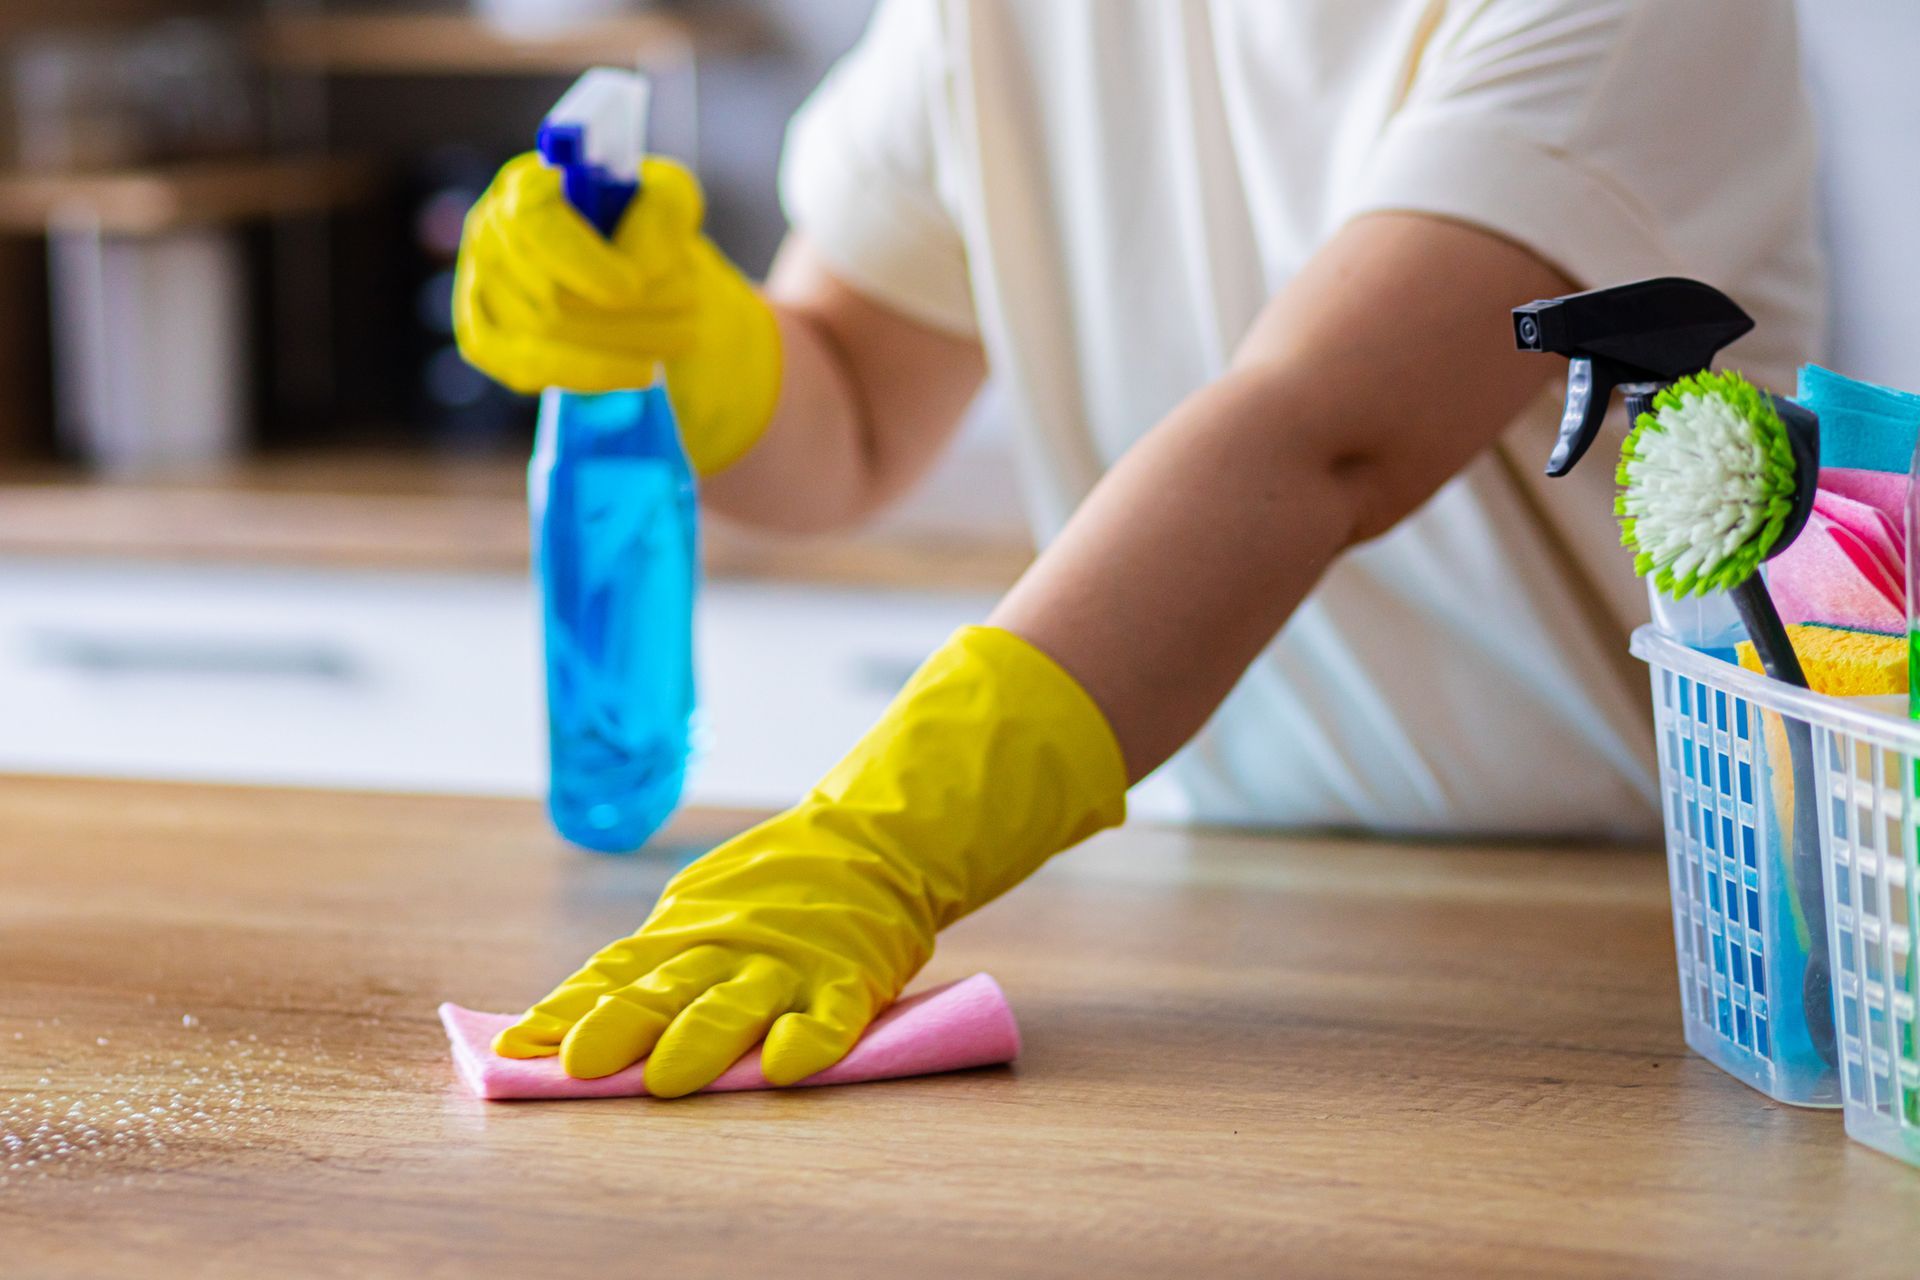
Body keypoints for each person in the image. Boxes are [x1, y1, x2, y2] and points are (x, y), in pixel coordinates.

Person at [453, 0, 1823, 1096]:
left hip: (1624, 941)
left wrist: (881, 845)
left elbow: (1325, 434)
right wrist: (690, 341)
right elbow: (853, 418)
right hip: (1206, 894)